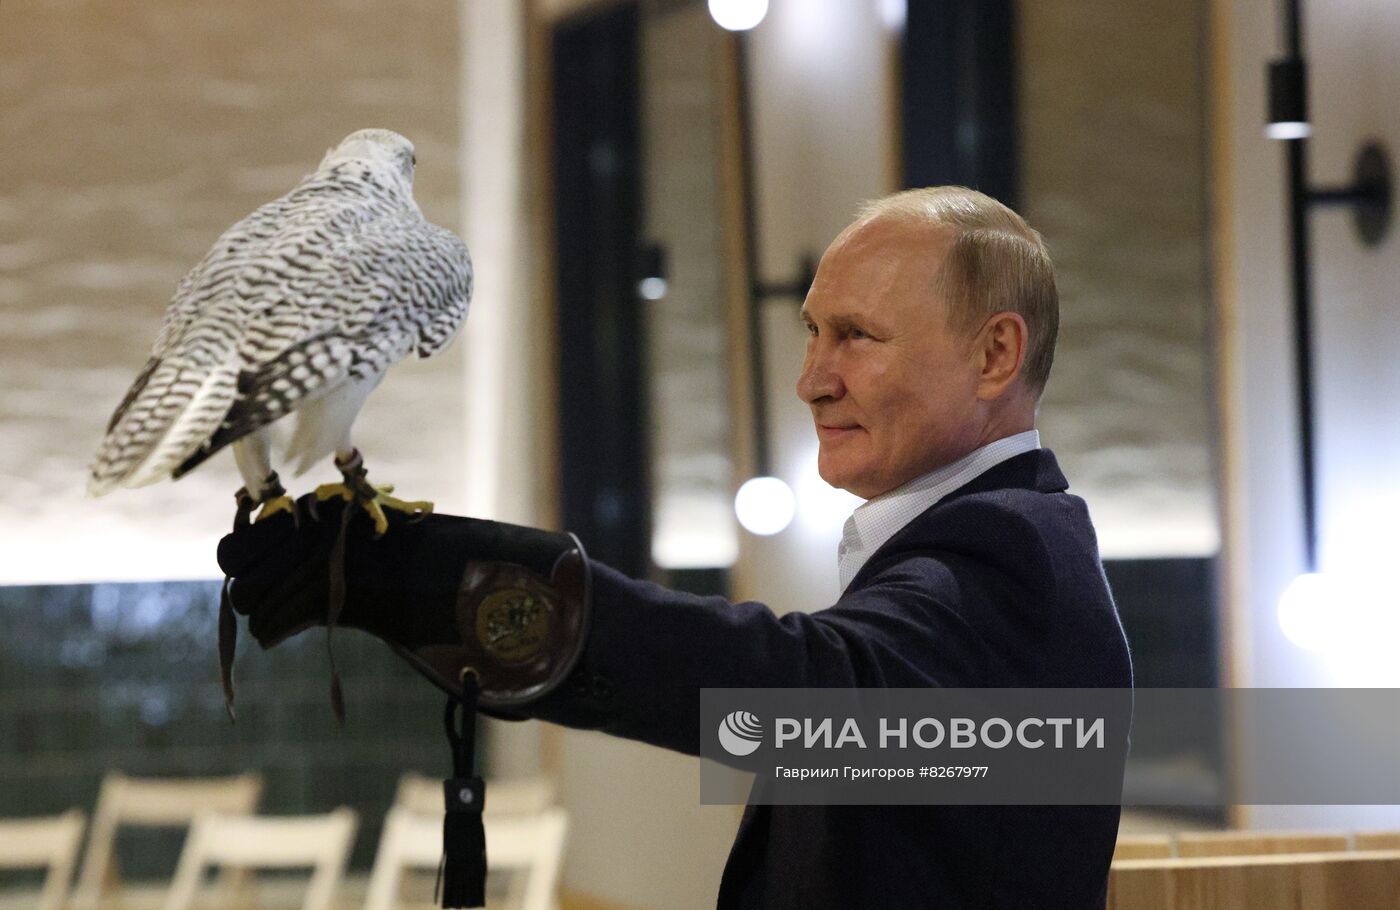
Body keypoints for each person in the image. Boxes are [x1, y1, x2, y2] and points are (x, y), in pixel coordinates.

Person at [217, 186, 1133, 909]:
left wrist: (438, 580)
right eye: (813, 332)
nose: (813, 379)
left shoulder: (1013, 560)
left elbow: (796, 688)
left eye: (856, 335)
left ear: (994, 357)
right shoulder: (965, 551)